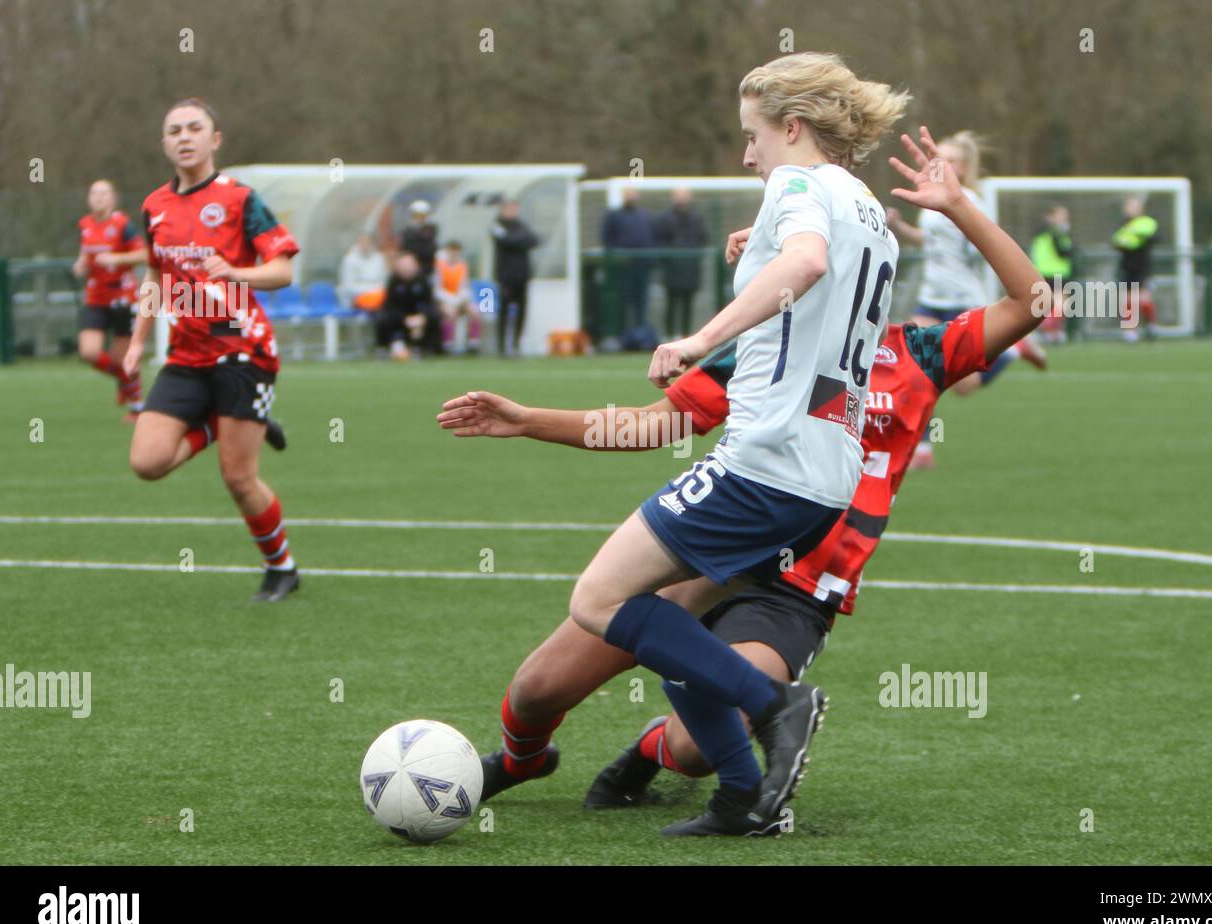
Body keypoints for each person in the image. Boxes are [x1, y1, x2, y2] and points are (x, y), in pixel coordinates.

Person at [437, 123, 1053, 830]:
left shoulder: (920, 354)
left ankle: (651, 753)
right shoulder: (770, 348)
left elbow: (1035, 303)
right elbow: (651, 426)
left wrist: (961, 208)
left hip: (794, 589)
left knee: (696, 748)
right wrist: (527, 420)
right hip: (717, 551)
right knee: (535, 690)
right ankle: (521, 761)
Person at [448, 53, 909, 836]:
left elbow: (805, 261)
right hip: (827, 474)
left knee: (599, 599)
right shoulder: (867, 210)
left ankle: (777, 708)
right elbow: (810, 269)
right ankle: (739, 797)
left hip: (766, 457)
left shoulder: (796, 187)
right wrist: (758, 247)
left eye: (753, 136)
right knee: (668, 622)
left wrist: (702, 335)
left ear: (791, 127)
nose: (747, 154)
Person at [122, 98, 300, 602]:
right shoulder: (155, 205)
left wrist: (237, 272)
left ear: (214, 139)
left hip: (242, 348)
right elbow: (156, 275)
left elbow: (283, 270)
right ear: (164, 143)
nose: (184, 136)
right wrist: (137, 341)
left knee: (239, 479)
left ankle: (282, 567)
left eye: (195, 128)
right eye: (174, 129)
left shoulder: (241, 199)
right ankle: (228, 421)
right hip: (186, 353)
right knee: (148, 462)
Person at [887, 130, 1045, 470]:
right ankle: (924, 447)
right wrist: (901, 227)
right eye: (939, 156)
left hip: (964, 298)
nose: (944, 164)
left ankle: (1014, 350)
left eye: (953, 160)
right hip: (931, 297)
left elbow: (979, 247)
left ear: (964, 166)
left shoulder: (970, 199)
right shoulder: (928, 194)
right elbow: (931, 241)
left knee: (963, 387)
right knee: (915, 372)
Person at [73, 179, 148, 420]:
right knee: (89, 352)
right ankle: (124, 380)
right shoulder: (85, 225)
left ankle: (136, 405)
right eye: (94, 193)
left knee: (123, 357)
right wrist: (81, 264)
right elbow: (86, 253)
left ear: (113, 199)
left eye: (104, 193)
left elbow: (145, 254)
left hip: (122, 298)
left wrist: (116, 259)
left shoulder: (122, 225)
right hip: (96, 297)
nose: (98, 197)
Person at [601, 187, 657, 342]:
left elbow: (652, 238)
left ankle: (640, 335)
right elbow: (607, 238)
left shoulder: (645, 216)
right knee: (622, 301)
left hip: (642, 267)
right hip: (623, 268)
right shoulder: (614, 215)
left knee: (641, 302)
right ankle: (620, 336)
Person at [654, 188, 708, 338]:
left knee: (688, 303)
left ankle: (685, 334)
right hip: (672, 270)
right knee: (671, 303)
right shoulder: (665, 218)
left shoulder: (696, 218)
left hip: (690, 269)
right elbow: (660, 241)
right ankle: (669, 334)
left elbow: (702, 239)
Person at [489, 200, 539, 355]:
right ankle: (502, 347)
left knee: (521, 311)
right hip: (506, 276)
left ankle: (517, 344)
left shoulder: (521, 225)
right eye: (510, 208)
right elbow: (508, 241)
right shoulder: (497, 225)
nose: (513, 211)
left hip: (522, 275)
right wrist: (519, 240)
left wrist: (518, 240)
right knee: (504, 311)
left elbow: (534, 240)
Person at [375, 251, 439, 359]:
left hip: (418, 317)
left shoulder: (423, 281)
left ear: (415, 266)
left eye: (409, 266)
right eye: (403, 266)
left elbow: (429, 304)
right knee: (382, 318)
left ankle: (428, 348)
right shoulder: (394, 281)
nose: (406, 269)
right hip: (400, 318)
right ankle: (386, 347)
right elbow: (390, 306)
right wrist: (405, 319)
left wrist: (422, 318)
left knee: (435, 316)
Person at [1113, 196, 1159, 342]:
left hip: (1142, 268)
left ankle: (1151, 326)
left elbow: (1153, 238)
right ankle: (1130, 331)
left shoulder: (1146, 223)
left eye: (1134, 206)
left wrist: (1136, 238)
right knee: (1128, 300)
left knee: (1143, 299)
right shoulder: (1123, 225)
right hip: (1127, 268)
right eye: (1129, 207)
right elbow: (1117, 242)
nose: (1131, 210)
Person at [1028, 205, 1076, 342]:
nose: (1064, 219)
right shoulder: (1055, 234)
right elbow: (1064, 252)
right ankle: (1049, 331)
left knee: (1054, 305)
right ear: (1051, 217)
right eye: (1061, 215)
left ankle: (1053, 332)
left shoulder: (1045, 234)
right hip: (1054, 272)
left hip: (1048, 272)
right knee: (1059, 305)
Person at [434, 240, 483, 354]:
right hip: (444, 299)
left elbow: (465, 286)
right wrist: (450, 299)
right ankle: (448, 344)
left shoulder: (462, 265)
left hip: (460, 299)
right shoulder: (439, 265)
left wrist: (461, 298)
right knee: (450, 312)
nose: (454, 254)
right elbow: (437, 289)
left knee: (475, 311)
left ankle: (473, 344)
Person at [337, 232, 388, 310]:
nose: (365, 245)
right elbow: (348, 286)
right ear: (357, 243)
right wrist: (370, 291)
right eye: (362, 241)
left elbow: (383, 281)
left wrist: (376, 291)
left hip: (377, 296)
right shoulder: (349, 260)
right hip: (355, 298)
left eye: (367, 241)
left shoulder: (379, 258)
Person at [399, 200, 438, 282]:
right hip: (409, 270)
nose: (419, 219)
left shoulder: (431, 230)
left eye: (422, 216)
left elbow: (430, 250)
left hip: (427, 269)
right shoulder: (407, 231)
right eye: (416, 216)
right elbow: (405, 249)